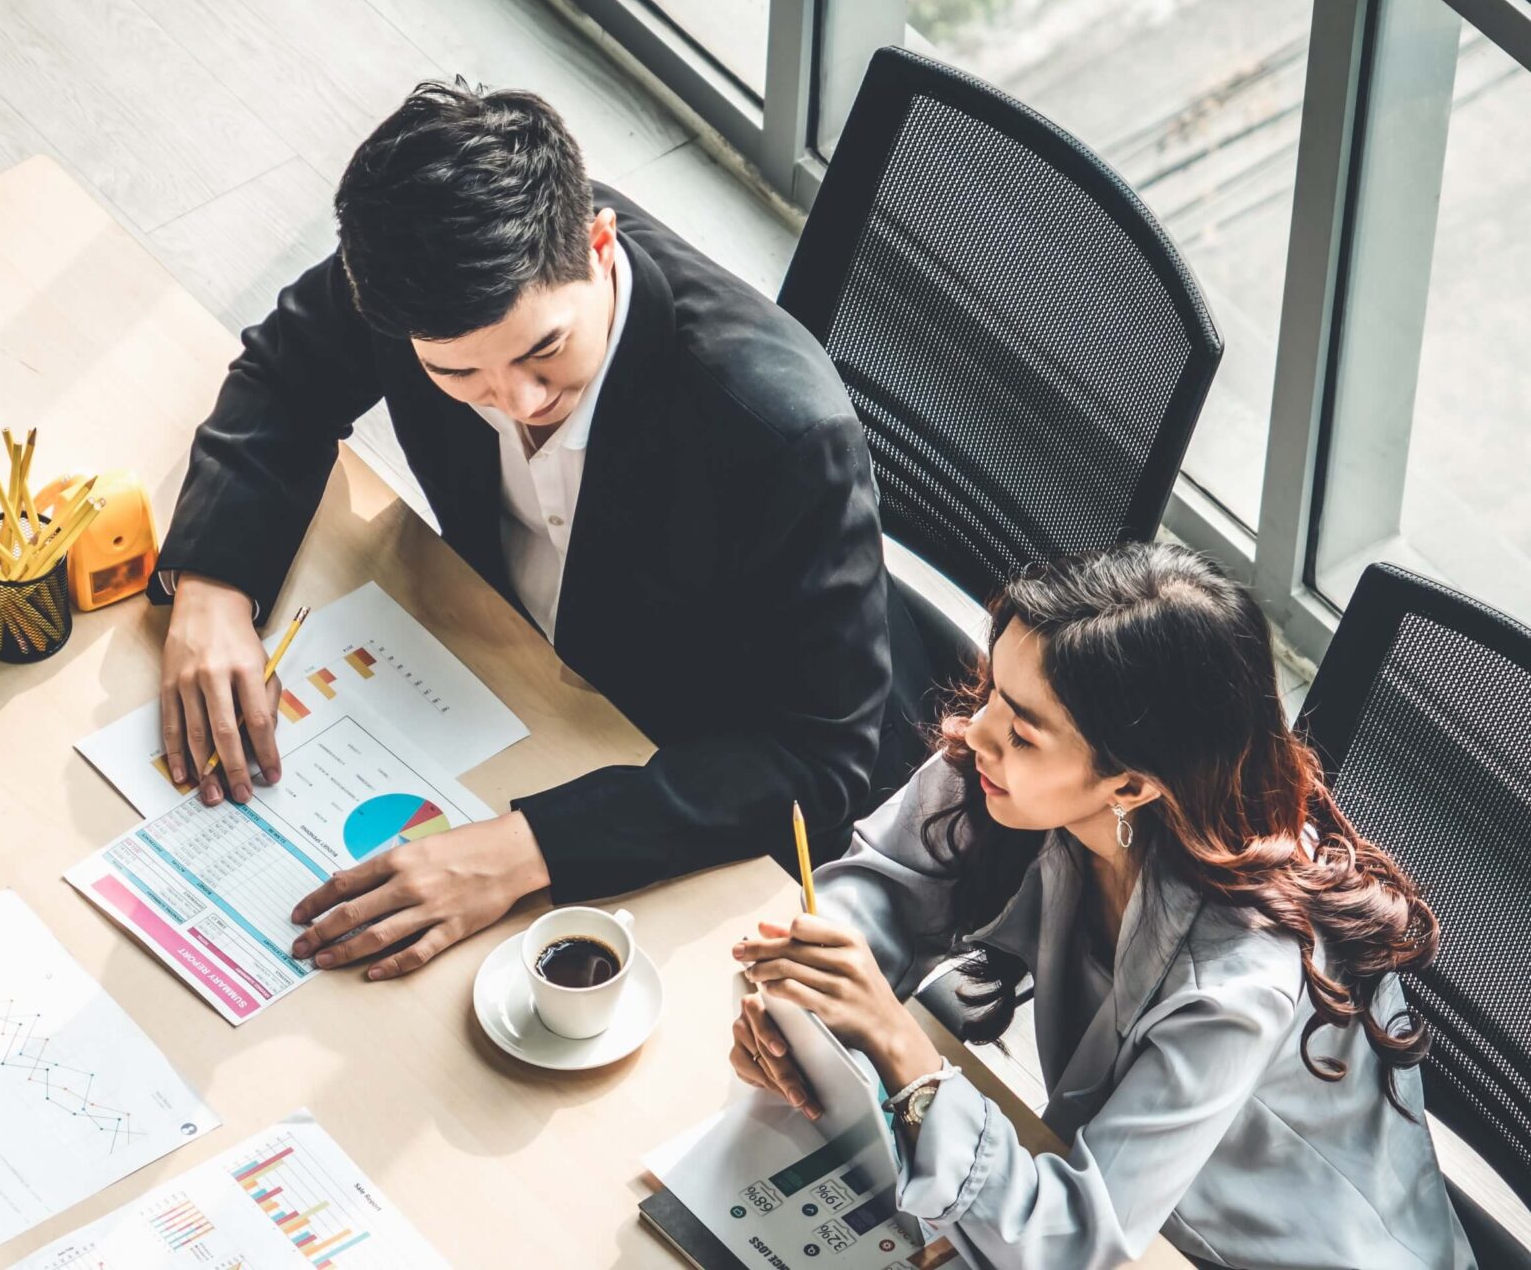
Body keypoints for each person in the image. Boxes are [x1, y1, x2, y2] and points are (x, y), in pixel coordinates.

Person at [156, 80, 892, 979]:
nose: (519, 400)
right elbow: (286, 373)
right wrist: (214, 586)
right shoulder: (423, 280)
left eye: (544, 349)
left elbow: (818, 761)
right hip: (493, 675)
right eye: (459, 375)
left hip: (659, 761)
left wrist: (529, 848)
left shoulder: (785, 433)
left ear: (599, 244)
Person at [727, 543, 1472, 1269]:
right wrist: (809, 994)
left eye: (1021, 732)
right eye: (994, 692)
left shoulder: (1239, 979)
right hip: (1127, 1208)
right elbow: (884, 886)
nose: (977, 731)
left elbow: (1071, 1240)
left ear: (1130, 785)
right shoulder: (1022, 777)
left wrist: (902, 1051)